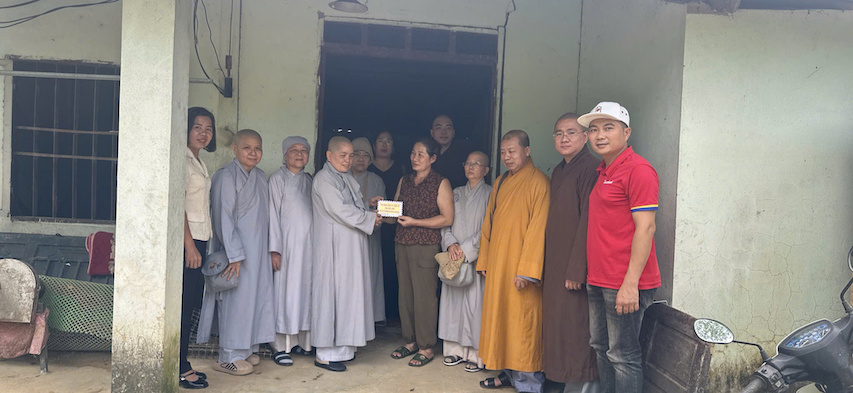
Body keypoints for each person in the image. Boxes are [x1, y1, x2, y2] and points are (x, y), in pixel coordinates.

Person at [578, 102, 660, 393]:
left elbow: (646, 227)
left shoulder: (639, 170)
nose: (600, 135)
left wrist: (630, 284)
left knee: (623, 356)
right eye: (594, 129)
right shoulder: (603, 171)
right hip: (599, 279)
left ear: (627, 133)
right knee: (601, 348)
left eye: (608, 128)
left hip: (624, 282)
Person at [197, 129, 276, 376]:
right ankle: (228, 356)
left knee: (256, 300)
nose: (253, 153)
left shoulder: (261, 177)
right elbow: (223, 218)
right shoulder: (226, 176)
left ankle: (247, 348)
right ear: (235, 149)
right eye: (247, 148)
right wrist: (235, 255)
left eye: (258, 148)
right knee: (236, 302)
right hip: (237, 254)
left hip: (259, 251)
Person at [477, 130, 550, 393]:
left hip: (521, 270)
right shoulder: (500, 182)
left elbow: (538, 230)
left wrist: (527, 271)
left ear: (527, 151)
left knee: (523, 326)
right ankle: (508, 374)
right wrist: (484, 260)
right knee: (502, 322)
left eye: (513, 151)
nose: (507, 157)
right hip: (499, 265)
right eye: (503, 152)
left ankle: (530, 384)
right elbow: (489, 223)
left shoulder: (539, 182)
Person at [311, 136, 382, 372]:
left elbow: (353, 208)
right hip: (334, 248)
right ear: (329, 156)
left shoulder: (344, 177)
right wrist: (370, 218)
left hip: (349, 247)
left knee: (347, 296)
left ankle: (342, 350)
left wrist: (369, 208)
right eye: (343, 155)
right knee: (332, 296)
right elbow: (339, 210)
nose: (348, 159)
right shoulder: (324, 178)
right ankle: (325, 354)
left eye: (351, 155)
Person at [543, 114, 600, 392]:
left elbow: (589, 220)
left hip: (573, 268)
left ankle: (579, 385)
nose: (564, 138)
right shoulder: (560, 170)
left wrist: (578, 269)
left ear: (585, 136)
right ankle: (558, 379)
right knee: (558, 325)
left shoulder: (590, 168)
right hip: (555, 264)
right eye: (558, 133)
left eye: (571, 133)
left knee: (576, 328)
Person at [388, 137, 454, 367]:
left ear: (433, 158)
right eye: (413, 153)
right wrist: (379, 207)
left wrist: (416, 221)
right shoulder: (405, 180)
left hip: (425, 245)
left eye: (421, 154)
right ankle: (410, 341)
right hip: (402, 242)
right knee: (405, 294)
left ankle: (426, 346)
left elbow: (447, 218)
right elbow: (394, 211)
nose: (415, 158)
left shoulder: (440, 182)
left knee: (424, 296)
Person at [438, 151, 491, 373]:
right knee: (452, 305)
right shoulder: (456, 193)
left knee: (474, 306)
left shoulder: (491, 193)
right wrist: (451, 244)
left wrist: (467, 249)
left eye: (477, 164)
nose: (471, 167)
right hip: (453, 257)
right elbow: (445, 222)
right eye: (468, 162)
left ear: (486, 170)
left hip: (474, 258)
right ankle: (453, 351)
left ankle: (474, 354)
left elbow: (489, 228)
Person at [268, 136, 314, 366]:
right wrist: (274, 249)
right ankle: (280, 346)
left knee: (305, 293)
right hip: (286, 247)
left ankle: (302, 343)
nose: (299, 154)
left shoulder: (310, 180)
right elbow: (272, 215)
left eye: (303, 150)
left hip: (308, 248)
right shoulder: (277, 179)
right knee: (285, 293)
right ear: (285, 154)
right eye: (294, 150)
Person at [179, 107, 216, 389]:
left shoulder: (199, 162)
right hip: (186, 242)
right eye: (197, 127)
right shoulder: (181, 160)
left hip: (200, 240)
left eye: (208, 129)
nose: (203, 133)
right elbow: (177, 206)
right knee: (182, 304)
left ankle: (183, 362)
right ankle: (179, 367)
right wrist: (190, 246)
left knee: (190, 302)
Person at [368, 131, 407, 322]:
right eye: (380, 141)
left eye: (388, 141)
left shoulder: (400, 168)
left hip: (394, 224)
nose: (384, 145)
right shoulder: (366, 167)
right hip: (369, 223)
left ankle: (391, 313)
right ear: (373, 145)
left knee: (391, 266)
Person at [352, 137, 387, 324]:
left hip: (371, 239)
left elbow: (385, 208)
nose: (361, 159)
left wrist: (380, 217)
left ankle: (369, 320)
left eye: (366, 156)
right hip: (347, 240)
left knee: (369, 276)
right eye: (356, 154)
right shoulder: (342, 179)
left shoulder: (376, 180)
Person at [430, 115, 470, 189]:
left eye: (448, 128)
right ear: (432, 132)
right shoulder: (425, 154)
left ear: (453, 133)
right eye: (439, 128)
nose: (444, 132)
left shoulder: (463, 154)